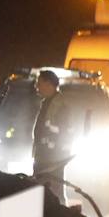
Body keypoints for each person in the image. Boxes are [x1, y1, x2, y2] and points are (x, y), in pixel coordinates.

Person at [32, 69, 70, 199]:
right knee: (44, 193)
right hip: (44, 156)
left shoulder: (60, 105)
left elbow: (64, 130)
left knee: (53, 193)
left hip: (52, 158)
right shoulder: (47, 102)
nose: (36, 86)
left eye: (39, 83)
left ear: (49, 84)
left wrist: (51, 143)